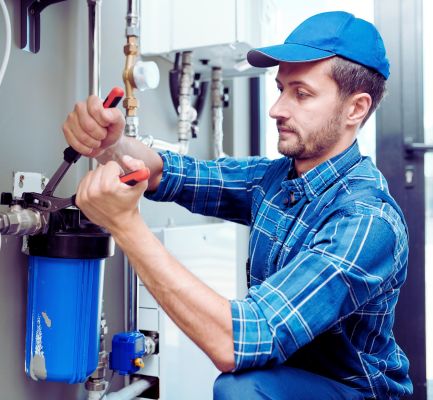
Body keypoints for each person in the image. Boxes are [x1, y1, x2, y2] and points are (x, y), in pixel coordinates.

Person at [62, 11, 412, 400]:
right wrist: (110, 144)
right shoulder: (276, 179)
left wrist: (127, 227)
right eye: (281, 89)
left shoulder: (366, 221)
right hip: (287, 378)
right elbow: (170, 172)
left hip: (354, 392)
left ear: (356, 108)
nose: (277, 108)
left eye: (301, 93)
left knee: (241, 389)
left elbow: (240, 342)